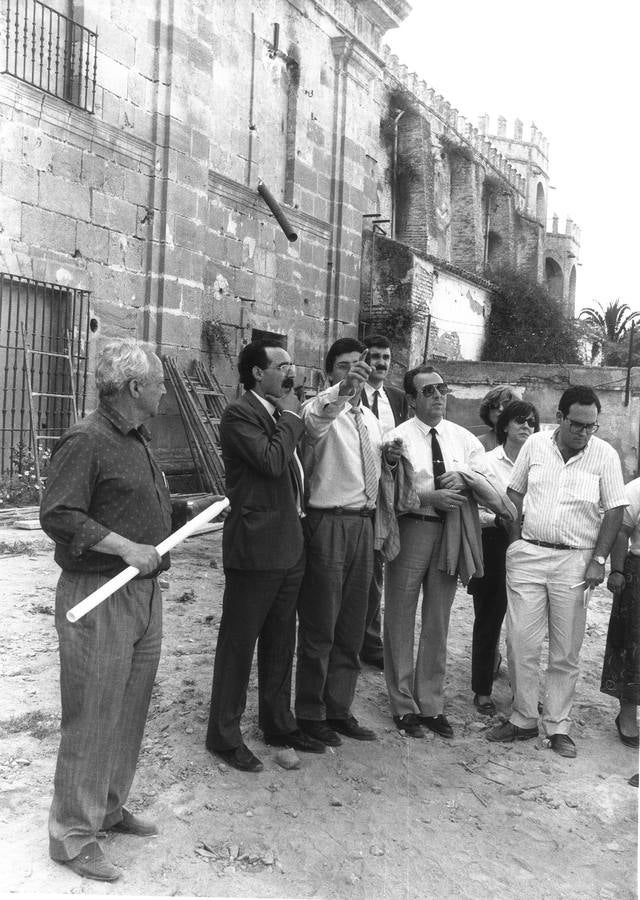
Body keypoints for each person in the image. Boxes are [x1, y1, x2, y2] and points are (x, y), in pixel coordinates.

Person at [40, 339, 175, 882]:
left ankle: (109, 808)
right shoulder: (88, 439)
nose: (165, 389)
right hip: (99, 596)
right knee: (94, 714)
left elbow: (134, 504)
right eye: (160, 381)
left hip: (143, 593)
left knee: (129, 707)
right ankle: (72, 835)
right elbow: (58, 514)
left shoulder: (138, 438)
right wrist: (125, 548)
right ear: (136, 388)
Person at [488, 385, 627, 758]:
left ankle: (557, 725)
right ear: (561, 418)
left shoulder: (605, 455)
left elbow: (615, 509)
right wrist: (515, 539)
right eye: (578, 424)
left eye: (591, 426)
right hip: (529, 554)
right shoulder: (535, 446)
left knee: (566, 650)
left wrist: (599, 560)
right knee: (521, 642)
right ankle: (522, 718)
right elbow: (514, 494)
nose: (584, 432)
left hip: (575, 561)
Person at [205, 339, 324, 773]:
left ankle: (278, 724)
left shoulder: (275, 414)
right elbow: (272, 463)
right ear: (258, 373)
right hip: (255, 548)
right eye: (282, 366)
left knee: (281, 642)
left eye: (291, 365)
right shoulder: (241, 413)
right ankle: (224, 735)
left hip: (289, 545)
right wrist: (293, 414)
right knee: (238, 645)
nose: (291, 373)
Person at [295, 337, 401, 746]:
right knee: (321, 622)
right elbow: (313, 422)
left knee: (354, 623)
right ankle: (309, 712)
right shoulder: (321, 408)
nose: (355, 372)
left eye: (360, 365)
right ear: (329, 374)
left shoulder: (371, 420)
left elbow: (368, 467)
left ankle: (339, 708)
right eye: (344, 367)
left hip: (363, 524)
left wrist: (387, 459)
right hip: (329, 522)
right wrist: (341, 391)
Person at [383, 364, 486, 739]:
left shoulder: (463, 439)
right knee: (399, 614)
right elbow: (388, 493)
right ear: (412, 399)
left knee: (438, 618)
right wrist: (429, 496)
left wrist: (466, 482)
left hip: (451, 533)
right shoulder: (396, 438)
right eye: (428, 391)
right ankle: (402, 703)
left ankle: (431, 704)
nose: (438, 396)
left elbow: (484, 479)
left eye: (442, 388)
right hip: (413, 528)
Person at [468, 400, 540, 715]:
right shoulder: (485, 463)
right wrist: (497, 519)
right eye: (521, 421)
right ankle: (482, 690)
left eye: (532, 422)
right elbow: (473, 510)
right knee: (489, 618)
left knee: (525, 625)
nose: (527, 426)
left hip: (529, 544)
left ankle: (522, 694)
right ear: (505, 425)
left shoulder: (541, 463)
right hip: (493, 544)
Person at [359, 333, 409, 669]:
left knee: (379, 568)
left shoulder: (397, 398)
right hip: (358, 491)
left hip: (387, 491)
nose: (381, 363)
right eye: (375, 356)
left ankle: (371, 640)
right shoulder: (354, 394)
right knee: (362, 570)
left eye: (386, 357)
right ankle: (362, 638)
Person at [601, 478, 640, 750]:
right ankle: (627, 716)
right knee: (632, 647)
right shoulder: (636, 489)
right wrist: (617, 570)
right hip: (638, 571)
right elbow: (622, 531)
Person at [477, 385, 520, 451]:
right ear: (487, 411)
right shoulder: (477, 443)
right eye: (494, 405)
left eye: (506, 404)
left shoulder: (527, 441)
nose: (500, 409)